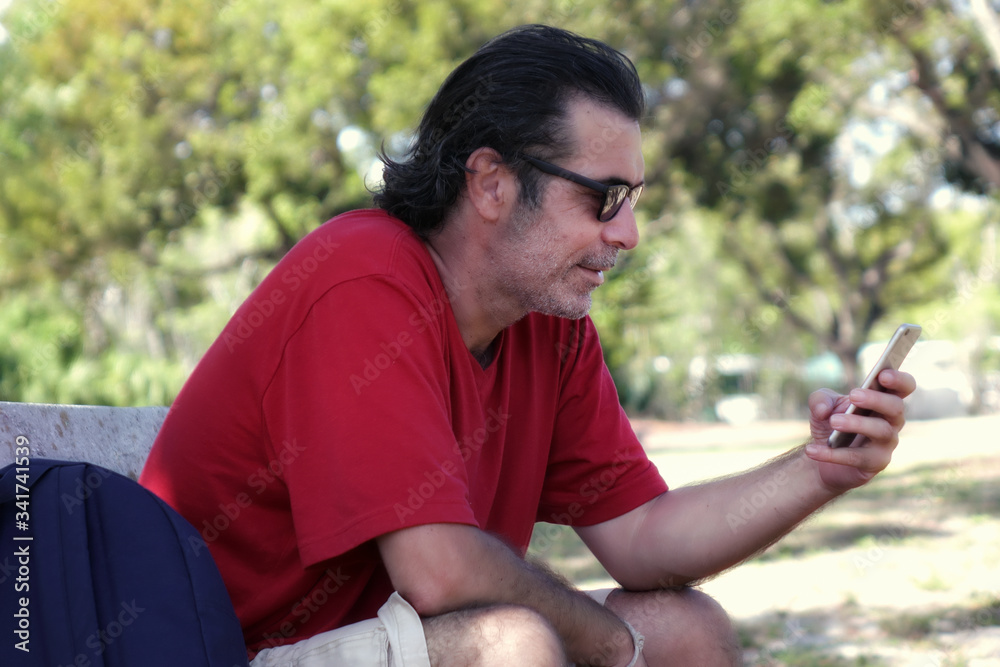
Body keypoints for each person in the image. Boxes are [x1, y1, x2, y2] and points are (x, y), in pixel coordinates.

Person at [139, 24, 916, 667]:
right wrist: (607, 643)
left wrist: (821, 469)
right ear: (491, 181)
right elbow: (440, 572)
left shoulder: (550, 326)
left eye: (634, 201)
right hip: (233, 652)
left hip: (382, 642)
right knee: (509, 644)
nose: (628, 233)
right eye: (602, 198)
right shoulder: (363, 278)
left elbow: (644, 538)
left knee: (689, 630)